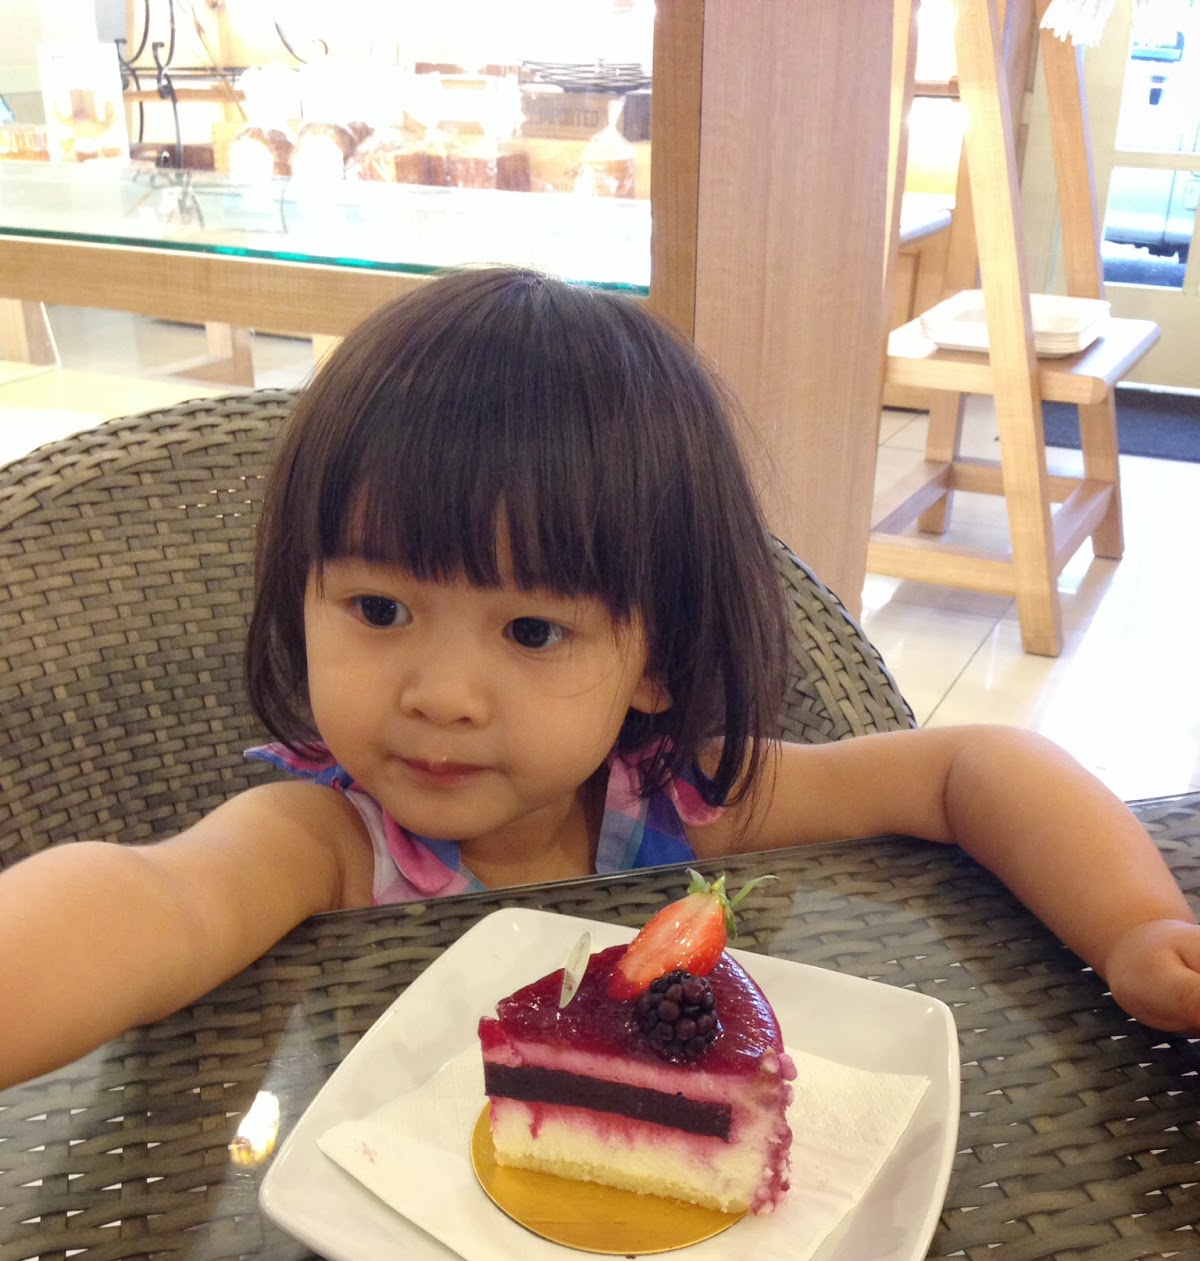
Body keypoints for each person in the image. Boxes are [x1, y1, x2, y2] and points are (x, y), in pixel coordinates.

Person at [3, 265, 1200, 1085]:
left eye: (532, 631)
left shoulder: (675, 803)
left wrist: (1137, 925)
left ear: (657, 661)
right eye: (379, 609)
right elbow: (152, 902)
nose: (442, 693)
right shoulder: (327, 843)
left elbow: (967, 769)